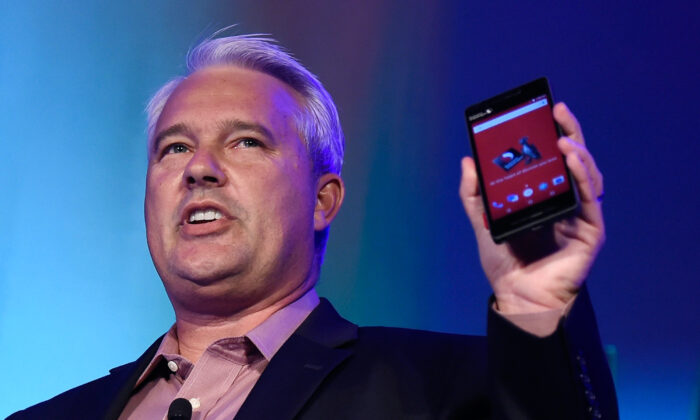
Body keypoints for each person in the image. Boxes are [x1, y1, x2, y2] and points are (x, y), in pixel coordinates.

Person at [8, 34, 618, 419]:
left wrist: (534, 301)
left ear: (323, 199)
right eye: (173, 148)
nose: (199, 168)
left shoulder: (444, 390)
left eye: (245, 141)